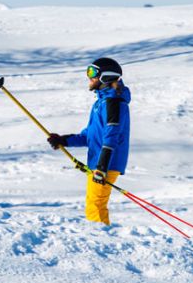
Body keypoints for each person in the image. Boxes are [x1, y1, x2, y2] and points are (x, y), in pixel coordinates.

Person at [48, 57, 131, 226]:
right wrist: (64, 140)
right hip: (99, 162)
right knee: (94, 204)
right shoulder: (101, 103)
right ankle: (102, 235)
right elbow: (89, 136)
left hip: (106, 163)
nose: (89, 77)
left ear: (106, 77)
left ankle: (101, 237)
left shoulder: (114, 103)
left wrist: (102, 166)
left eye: (93, 73)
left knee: (95, 205)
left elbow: (112, 136)